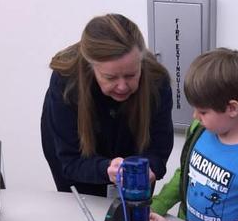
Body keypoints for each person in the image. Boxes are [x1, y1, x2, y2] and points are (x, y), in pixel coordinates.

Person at [40, 14, 174, 196]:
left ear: (140, 63)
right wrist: (105, 169)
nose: (122, 86)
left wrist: (150, 168)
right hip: (79, 162)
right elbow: (70, 161)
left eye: (131, 75)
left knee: (132, 217)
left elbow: (158, 148)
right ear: (91, 68)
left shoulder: (156, 80)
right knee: (86, 213)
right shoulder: (66, 83)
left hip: (133, 160)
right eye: (110, 77)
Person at [150, 48, 238, 221]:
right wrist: (157, 206)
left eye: (203, 111)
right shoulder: (199, 130)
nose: (195, 117)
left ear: (232, 108)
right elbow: (185, 174)